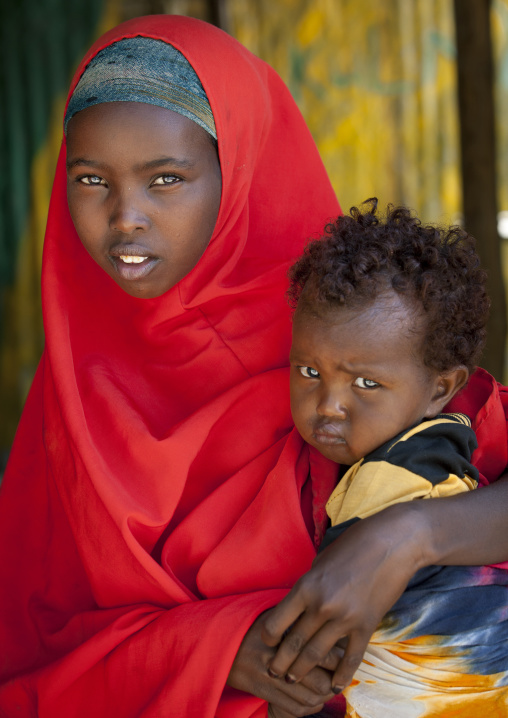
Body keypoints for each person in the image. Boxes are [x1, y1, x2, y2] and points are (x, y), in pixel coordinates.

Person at [0, 15, 507, 718]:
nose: (125, 218)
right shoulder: (68, 401)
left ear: (238, 169)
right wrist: (220, 653)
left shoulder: (345, 326)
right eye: (91, 180)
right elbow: (33, 653)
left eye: (166, 179)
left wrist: (405, 539)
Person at [277, 200, 508, 716]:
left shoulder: (409, 471)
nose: (329, 405)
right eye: (309, 372)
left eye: (366, 383)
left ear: (441, 388)